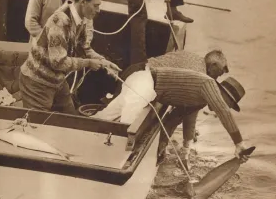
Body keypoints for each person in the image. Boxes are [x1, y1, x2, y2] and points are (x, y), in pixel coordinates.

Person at [93, 50, 249, 167]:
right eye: (228, 103)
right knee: (127, 131)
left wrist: (177, 149)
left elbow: (176, 118)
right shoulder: (208, 84)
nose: (226, 106)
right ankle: (109, 166)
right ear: (221, 92)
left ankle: (87, 143)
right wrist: (239, 144)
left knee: (103, 117)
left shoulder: (200, 97)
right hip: (145, 82)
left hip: (142, 80)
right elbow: (223, 112)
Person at [19, 0, 121, 114]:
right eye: (96, 5)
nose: (98, 10)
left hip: (57, 81)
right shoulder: (60, 21)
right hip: (36, 83)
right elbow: (58, 62)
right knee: (39, 125)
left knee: (71, 119)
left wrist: (104, 62)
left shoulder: (81, 20)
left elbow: (85, 49)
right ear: (83, 1)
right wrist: (88, 63)